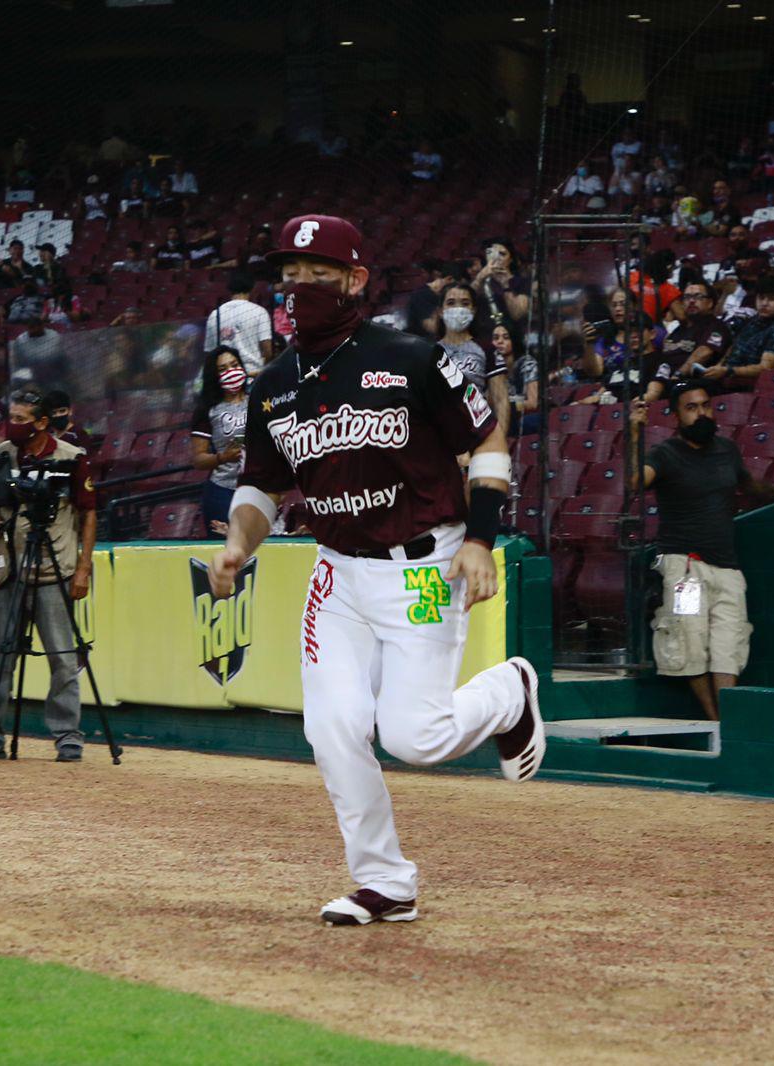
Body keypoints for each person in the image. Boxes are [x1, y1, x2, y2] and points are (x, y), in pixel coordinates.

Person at [209, 213, 543, 927]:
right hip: (336, 573)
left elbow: (487, 437)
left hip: (423, 563)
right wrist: (241, 543)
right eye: (290, 278)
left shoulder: (413, 358)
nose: (299, 290)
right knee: (331, 728)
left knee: (415, 738)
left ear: (356, 279)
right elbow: (261, 486)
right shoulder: (272, 386)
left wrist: (481, 539)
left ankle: (510, 691)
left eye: (317, 276)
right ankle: (385, 880)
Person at [627, 382, 774, 719]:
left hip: (727, 568)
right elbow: (635, 482)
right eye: (691, 407)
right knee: (690, 643)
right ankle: (716, 721)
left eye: (705, 405)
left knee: (729, 646)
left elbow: (750, 485)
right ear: (676, 415)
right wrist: (635, 433)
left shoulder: (727, 449)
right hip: (685, 568)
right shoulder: (664, 454)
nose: (701, 413)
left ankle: (728, 722)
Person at [0, 388, 97, 763]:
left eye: (20, 420)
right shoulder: (2, 455)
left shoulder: (71, 458)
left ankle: (69, 737)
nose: (11, 426)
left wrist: (84, 567)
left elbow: (88, 513)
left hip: (56, 569)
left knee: (63, 660)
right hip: (10, 571)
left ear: (41, 423)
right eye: (11, 419)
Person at [190, 346, 250, 536]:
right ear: (214, 376)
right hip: (223, 491)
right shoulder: (208, 410)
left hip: (259, 488)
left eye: (234, 365)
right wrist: (223, 457)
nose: (231, 372)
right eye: (223, 369)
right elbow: (198, 460)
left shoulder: (258, 400)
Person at [436, 282, 507, 424]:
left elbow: (500, 400)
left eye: (465, 303)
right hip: (440, 432)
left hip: (477, 430)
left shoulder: (487, 349)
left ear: (473, 310)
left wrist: (499, 441)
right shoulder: (430, 352)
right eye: (451, 303)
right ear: (440, 311)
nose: (458, 308)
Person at [648, 280, 730, 401]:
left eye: (698, 297)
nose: (691, 301)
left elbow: (704, 353)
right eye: (687, 297)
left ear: (710, 303)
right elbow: (664, 363)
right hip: (670, 387)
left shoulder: (716, 326)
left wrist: (678, 375)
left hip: (698, 388)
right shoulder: (676, 331)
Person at [714, 276, 774, 386]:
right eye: (761, 298)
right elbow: (733, 349)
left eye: (771, 299)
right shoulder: (751, 321)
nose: (764, 303)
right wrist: (718, 367)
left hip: (748, 385)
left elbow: (765, 368)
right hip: (724, 377)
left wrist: (728, 371)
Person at [203, 272, 274, 376]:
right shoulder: (259, 312)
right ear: (252, 288)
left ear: (230, 288)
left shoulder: (215, 314)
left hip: (227, 377)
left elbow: (209, 353)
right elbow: (267, 349)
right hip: (253, 373)